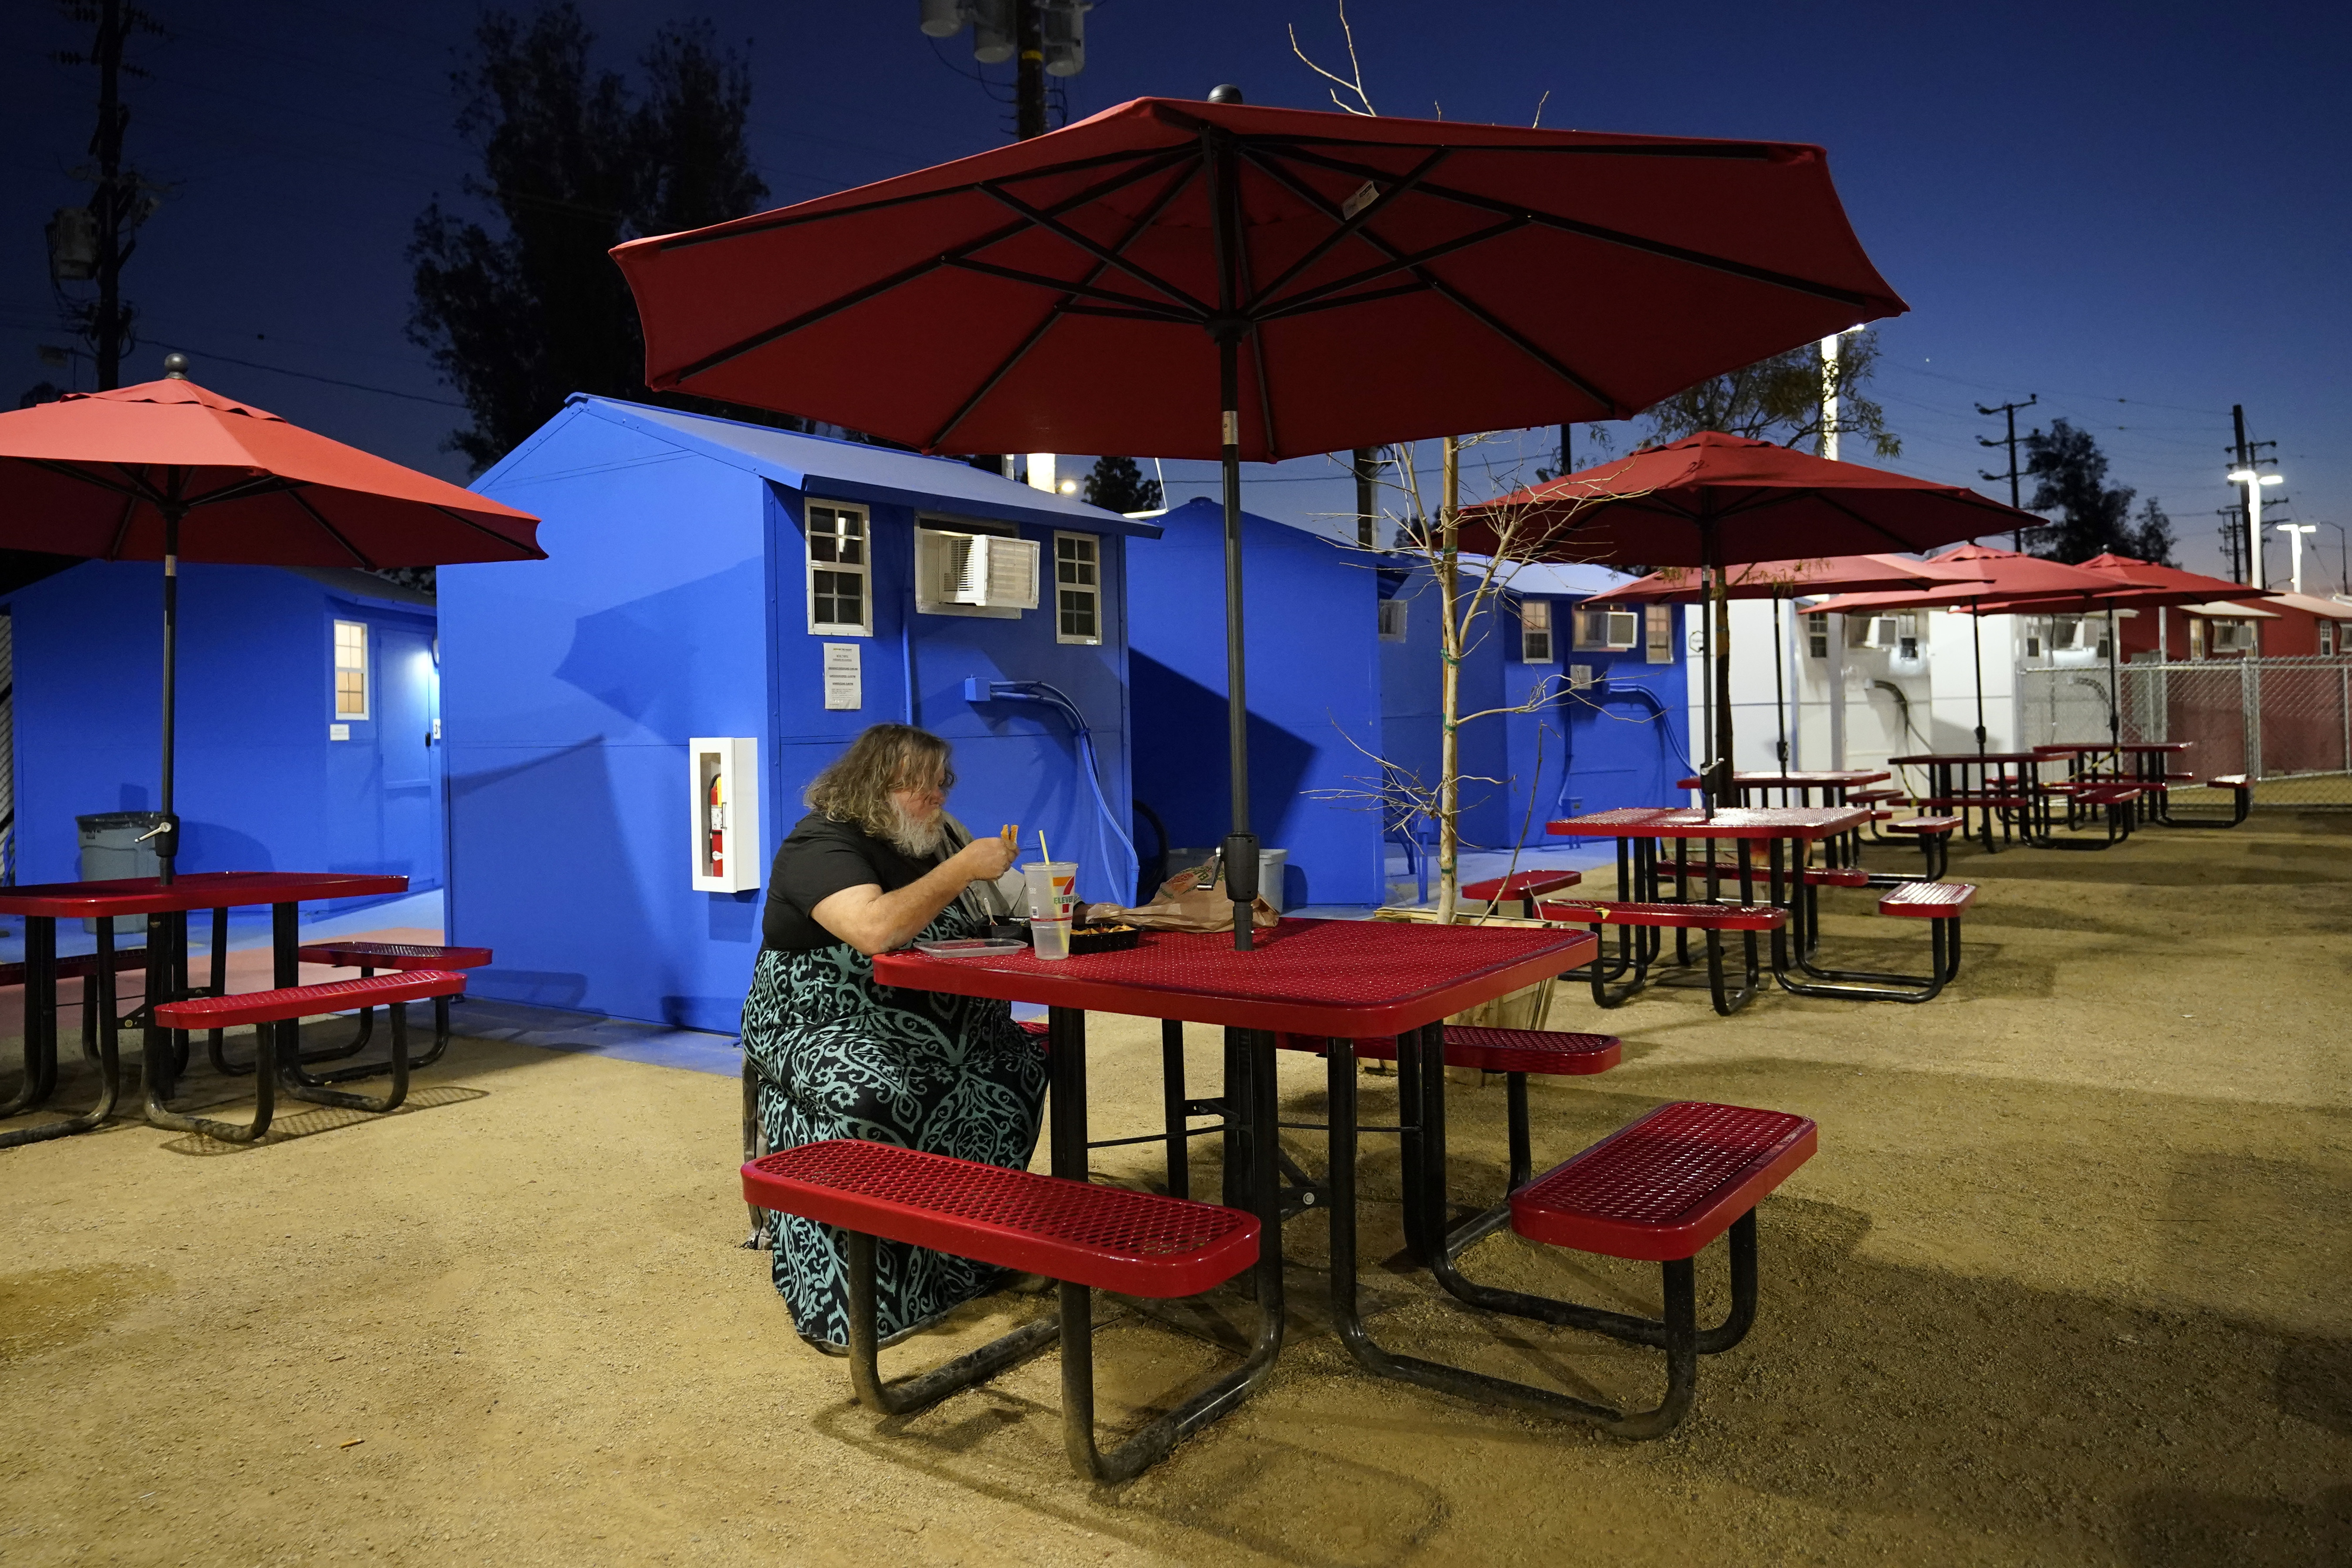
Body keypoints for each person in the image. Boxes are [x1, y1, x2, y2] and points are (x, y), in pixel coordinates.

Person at [740, 723, 1044, 1352]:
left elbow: (1015, 911)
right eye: (920, 785)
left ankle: (966, 1261)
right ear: (873, 787)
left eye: (942, 783)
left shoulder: (939, 838)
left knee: (1014, 1069)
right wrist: (962, 868)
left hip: (945, 1028)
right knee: (874, 1094)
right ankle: (860, 1295)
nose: (937, 797)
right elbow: (874, 930)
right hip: (827, 1022)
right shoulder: (821, 843)